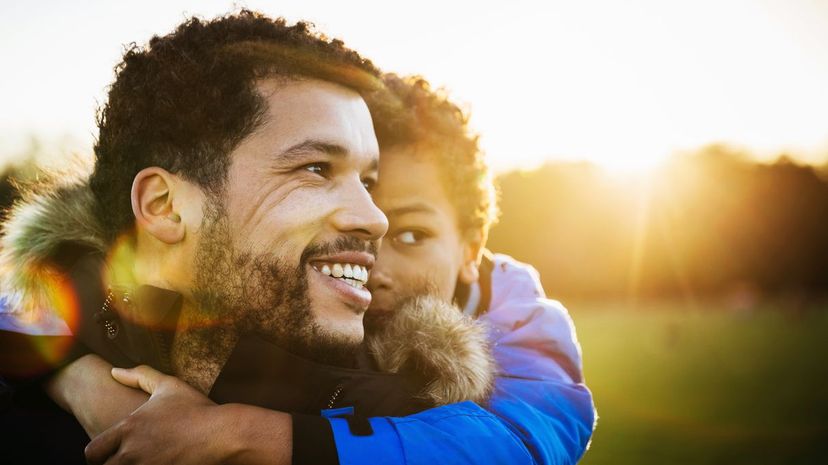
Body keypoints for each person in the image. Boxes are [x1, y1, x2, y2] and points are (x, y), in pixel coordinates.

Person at [3, 12, 595, 465]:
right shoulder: (70, 311)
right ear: (162, 206)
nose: (376, 225)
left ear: (473, 253)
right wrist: (79, 377)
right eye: (316, 169)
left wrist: (240, 435)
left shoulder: (469, 356)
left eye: (368, 182)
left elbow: (531, 432)